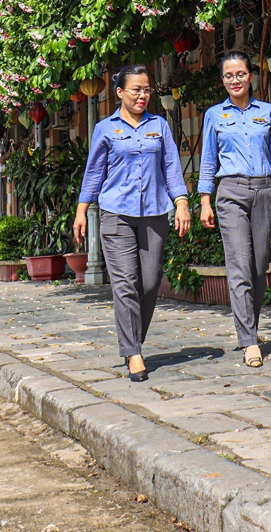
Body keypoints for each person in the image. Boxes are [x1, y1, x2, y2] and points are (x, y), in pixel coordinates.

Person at [74, 64, 191, 382]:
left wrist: (181, 203)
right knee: (125, 284)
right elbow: (94, 172)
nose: (143, 95)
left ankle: (131, 340)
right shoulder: (105, 129)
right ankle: (133, 351)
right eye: (137, 89)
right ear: (120, 92)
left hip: (154, 213)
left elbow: (171, 167)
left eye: (147, 89)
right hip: (116, 215)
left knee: (150, 283)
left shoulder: (160, 125)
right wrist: (82, 210)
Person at [197, 52, 271, 368]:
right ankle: (248, 340)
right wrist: (205, 199)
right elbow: (208, 160)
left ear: (251, 76)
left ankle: (251, 325)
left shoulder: (268, 112)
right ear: (223, 80)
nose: (235, 80)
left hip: (264, 190)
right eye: (228, 75)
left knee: (258, 268)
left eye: (240, 74)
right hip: (230, 192)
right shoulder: (213, 115)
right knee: (239, 265)